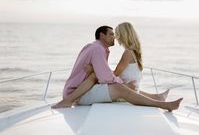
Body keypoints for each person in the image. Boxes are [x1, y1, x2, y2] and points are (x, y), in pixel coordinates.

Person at [52, 24, 182, 111]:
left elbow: (102, 74)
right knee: (121, 87)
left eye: (115, 34)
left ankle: (157, 98)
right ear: (102, 36)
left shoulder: (96, 47)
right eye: (111, 34)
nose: (114, 37)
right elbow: (105, 77)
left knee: (118, 85)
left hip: (83, 90)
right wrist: (125, 86)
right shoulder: (97, 49)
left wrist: (95, 71)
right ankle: (163, 105)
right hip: (78, 94)